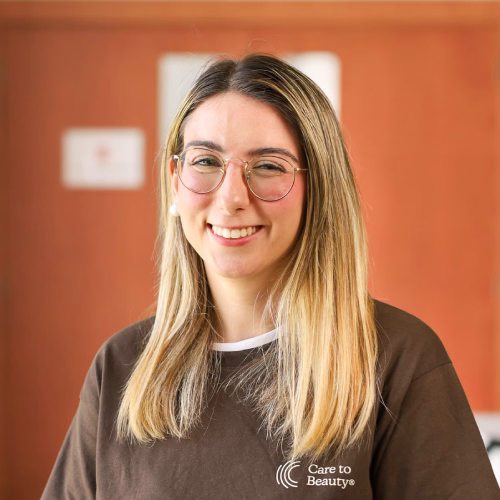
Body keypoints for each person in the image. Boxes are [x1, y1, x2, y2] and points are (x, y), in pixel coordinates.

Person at [42, 53, 500, 499]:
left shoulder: (397, 358)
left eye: (267, 166)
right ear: (175, 179)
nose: (231, 198)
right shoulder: (121, 367)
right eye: (205, 161)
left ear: (319, 188)